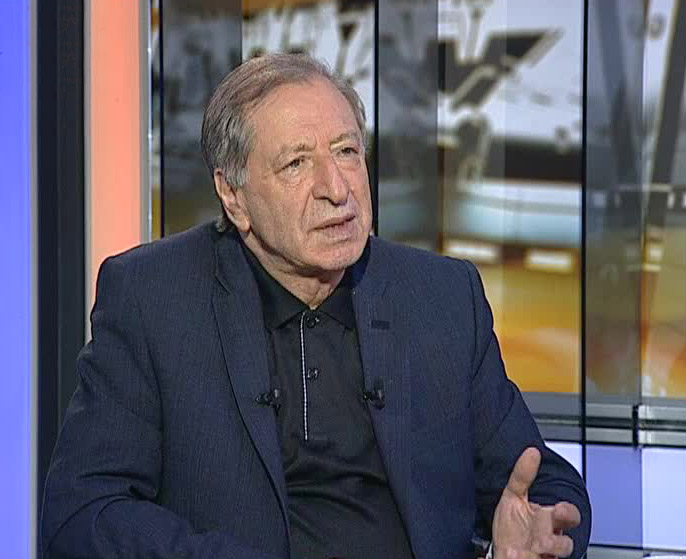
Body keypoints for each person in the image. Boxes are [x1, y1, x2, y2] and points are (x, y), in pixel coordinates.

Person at [41, 53, 590, 559]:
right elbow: (83, 513)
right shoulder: (154, 298)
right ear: (233, 196)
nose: (337, 188)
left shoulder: (440, 296)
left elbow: (540, 482)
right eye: (297, 164)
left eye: (347, 151)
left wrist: (540, 533)